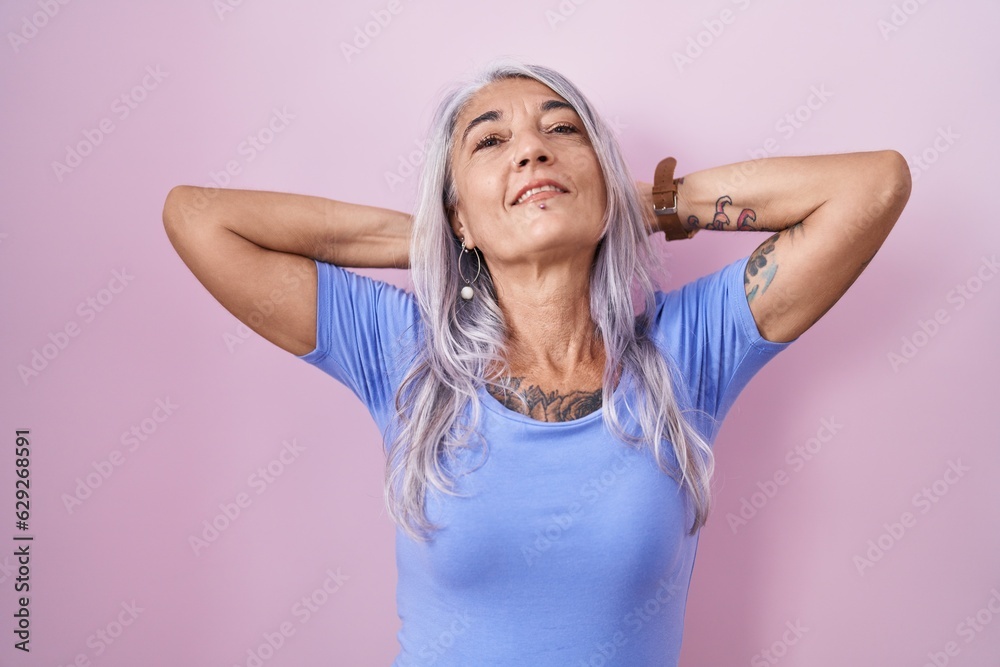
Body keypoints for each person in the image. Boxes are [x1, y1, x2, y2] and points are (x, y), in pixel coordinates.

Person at [162, 57, 910, 666]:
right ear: (457, 209)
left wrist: (640, 204)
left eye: (562, 131)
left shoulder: (689, 350)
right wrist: (439, 238)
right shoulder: (405, 354)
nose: (531, 148)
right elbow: (198, 217)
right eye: (490, 142)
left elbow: (872, 185)